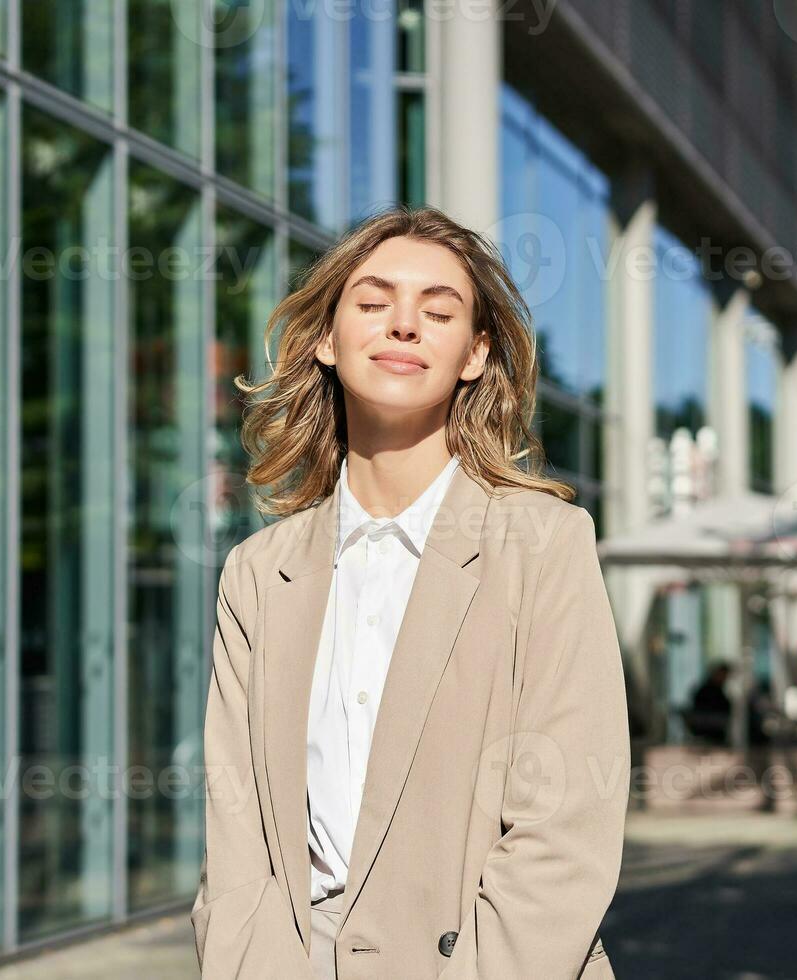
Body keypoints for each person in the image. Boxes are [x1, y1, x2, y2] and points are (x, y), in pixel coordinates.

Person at [194, 208, 627, 979]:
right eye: (372, 303)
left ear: (473, 355)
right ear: (326, 339)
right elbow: (237, 841)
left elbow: (563, 831)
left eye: (438, 312)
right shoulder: (258, 574)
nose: (403, 326)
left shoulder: (543, 545)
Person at [684, 663, 735, 744]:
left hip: (712, 729)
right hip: (709, 730)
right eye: (724, 675)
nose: (725, 678)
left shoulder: (717, 690)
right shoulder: (707, 691)